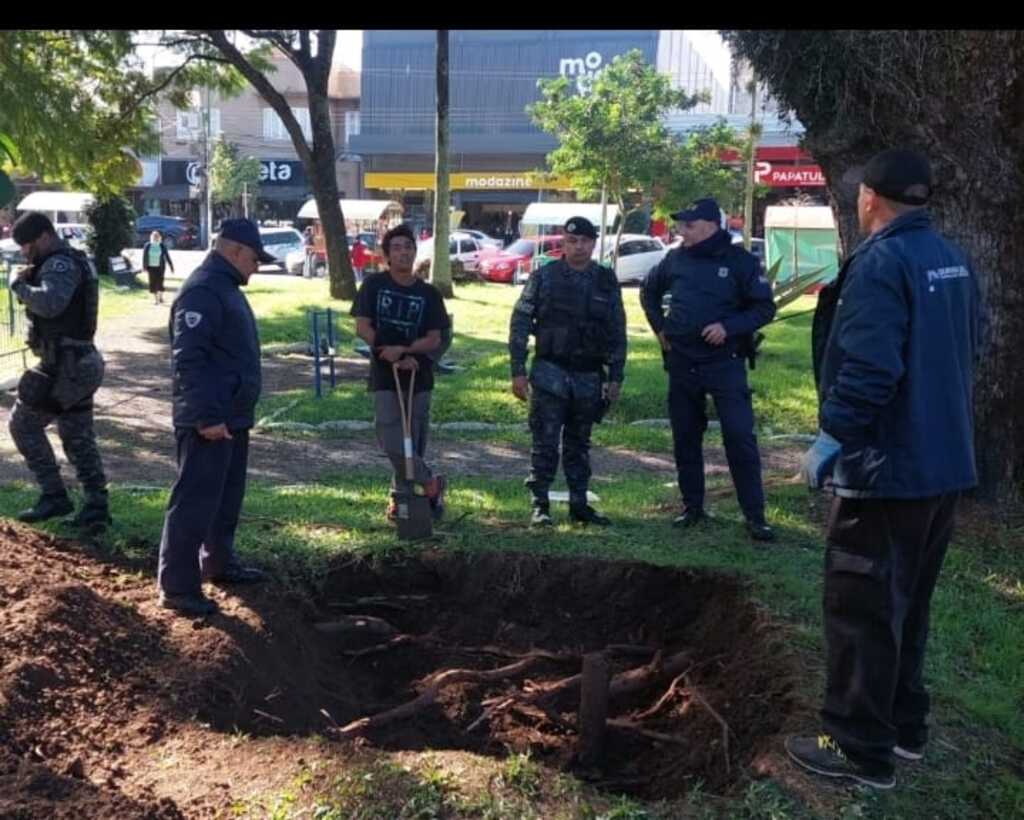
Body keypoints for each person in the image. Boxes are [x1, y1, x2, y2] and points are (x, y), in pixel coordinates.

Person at [786, 149, 980, 790]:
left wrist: (831, 439)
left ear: (869, 198)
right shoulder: (950, 257)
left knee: (861, 605)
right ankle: (903, 727)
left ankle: (857, 749)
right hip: (943, 463)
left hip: (887, 470)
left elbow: (870, 369)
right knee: (909, 604)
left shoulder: (881, 263)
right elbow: (969, 345)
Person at [640, 197, 776, 542]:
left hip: (724, 362)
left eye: (690, 225)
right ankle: (692, 507)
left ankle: (755, 516)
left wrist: (728, 327)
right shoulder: (675, 258)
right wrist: (660, 330)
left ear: (711, 227)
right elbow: (648, 292)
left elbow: (764, 308)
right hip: (683, 361)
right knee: (686, 436)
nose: (682, 231)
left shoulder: (741, 261)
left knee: (739, 436)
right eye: (681, 225)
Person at [156, 218, 273, 617]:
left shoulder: (224, 287)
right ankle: (177, 586)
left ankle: (219, 562)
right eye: (255, 258)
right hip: (209, 418)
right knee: (195, 501)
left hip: (232, 416)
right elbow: (189, 359)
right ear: (236, 250)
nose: (257, 266)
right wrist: (206, 415)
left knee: (225, 498)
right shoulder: (204, 290)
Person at [508, 216, 626, 527]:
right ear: (564, 242)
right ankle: (540, 505)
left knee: (579, 443)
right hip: (550, 371)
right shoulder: (545, 277)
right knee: (545, 443)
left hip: (588, 375)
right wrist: (517, 370)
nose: (578, 247)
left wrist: (616, 376)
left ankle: (579, 504)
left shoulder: (605, 280)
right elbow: (520, 321)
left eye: (584, 241)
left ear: (593, 243)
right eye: (572, 241)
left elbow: (617, 329)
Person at [7, 212, 111, 530]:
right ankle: (95, 507)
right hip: (75, 362)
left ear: (43, 237)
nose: (25, 252)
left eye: (27, 245)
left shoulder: (59, 264)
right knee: (76, 435)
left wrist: (18, 286)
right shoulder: (71, 260)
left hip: (68, 366)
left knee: (23, 425)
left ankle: (54, 495)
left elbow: (51, 303)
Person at [352, 223, 449, 522]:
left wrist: (406, 353)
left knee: (413, 440)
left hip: (419, 376)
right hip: (384, 374)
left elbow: (435, 338)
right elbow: (362, 326)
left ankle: (402, 501)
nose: (403, 252)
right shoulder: (373, 285)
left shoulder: (429, 293)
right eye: (397, 247)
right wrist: (388, 352)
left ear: (415, 253)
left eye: (408, 247)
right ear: (387, 256)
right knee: (390, 436)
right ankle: (431, 482)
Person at [141, 230, 174, 305]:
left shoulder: (162, 245)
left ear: (159, 237)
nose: (155, 238)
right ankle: (156, 300)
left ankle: (160, 297)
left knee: (160, 282)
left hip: (160, 267)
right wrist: (144, 267)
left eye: (157, 236)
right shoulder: (148, 245)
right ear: (151, 237)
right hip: (151, 267)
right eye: (154, 236)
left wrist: (171, 266)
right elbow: (145, 257)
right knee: (152, 283)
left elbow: (167, 256)